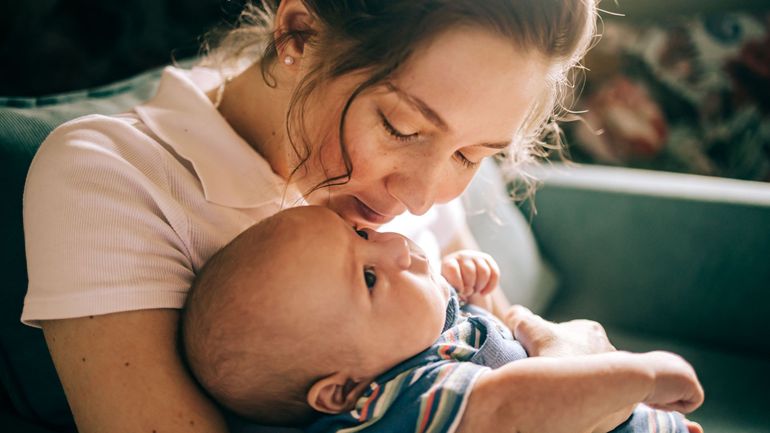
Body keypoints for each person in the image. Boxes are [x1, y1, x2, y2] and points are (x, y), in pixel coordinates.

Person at [19, 1, 662, 432]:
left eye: (472, 154)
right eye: (400, 127)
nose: (421, 198)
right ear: (298, 33)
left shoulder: (417, 181)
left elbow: (484, 350)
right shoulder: (114, 173)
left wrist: (564, 356)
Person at [182, 205, 705, 433]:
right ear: (341, 393)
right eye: (368, 278)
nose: (393, 245)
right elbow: (516, 402)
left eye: (360, 235)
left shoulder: (401, 350)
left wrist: (451, 288)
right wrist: (644, 374)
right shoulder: (396, 404)